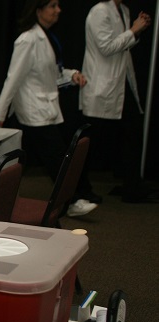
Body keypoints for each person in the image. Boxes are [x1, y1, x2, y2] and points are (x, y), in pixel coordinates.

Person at [0, 0, 96, 217]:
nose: (58, 10)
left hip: (43, 108)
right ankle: (73, 201)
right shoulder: (28, 40)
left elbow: (51, 74)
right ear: (38, 10)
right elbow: (13, 79)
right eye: (53, 6)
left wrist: (71, 75)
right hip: (34, 110)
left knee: (28, 157)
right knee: (56, 157)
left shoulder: (46, 37)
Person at [80, 0, 152, 203]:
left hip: (122, 82)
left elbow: (125, 44)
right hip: (102, 85)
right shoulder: (99, 11)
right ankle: (78, 189)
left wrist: (136, 32)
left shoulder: (125, 10)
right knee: (91, 141)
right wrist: (133, 30)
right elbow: (106, 47)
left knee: (132, 131)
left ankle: (132, 185)